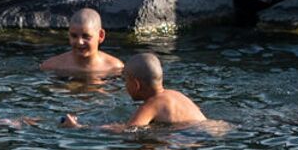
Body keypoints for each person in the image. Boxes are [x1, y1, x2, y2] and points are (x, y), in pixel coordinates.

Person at [63, 52, 206, 128]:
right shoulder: (175, 94)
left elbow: (129, 130)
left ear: (136, 85)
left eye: (126, 81)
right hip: (213, 128)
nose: (125, 86)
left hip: (197, 135)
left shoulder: (152, 104)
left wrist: (80, 127)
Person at [41, 7, 126, 77]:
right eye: (74, 36)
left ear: (101, 36)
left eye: (86, 36)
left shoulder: (115, 68)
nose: (79, 42)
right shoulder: (52, 66)